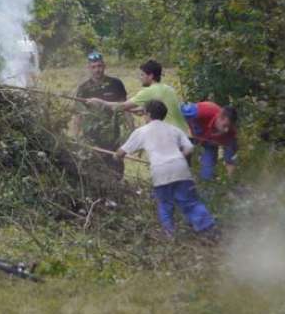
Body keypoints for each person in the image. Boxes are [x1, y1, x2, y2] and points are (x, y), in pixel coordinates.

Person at [115, 100, 215, 235]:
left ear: (148, 114)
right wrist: (178, 156)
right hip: (180, 168)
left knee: (165, 204)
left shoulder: (142, 131)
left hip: (160, 171)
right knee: (191, 202)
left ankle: (170, 234)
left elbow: (121, 152)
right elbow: (190, 148)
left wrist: (116, 156)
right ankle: (209, 230)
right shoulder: (174, 129)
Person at [86, 58, 188, 134]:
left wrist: (100, 102)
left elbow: (121, 106)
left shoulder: (150, 91)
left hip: (170, 137)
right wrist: (141, 110)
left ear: (151, 76)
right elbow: (163, 110)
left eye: (142, 75)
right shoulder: (168, 89)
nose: (140, 78)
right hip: (183, 135)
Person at [72, 51, 128, 179]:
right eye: (94, 67)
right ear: (89, 68)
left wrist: (129, 132)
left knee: (116, 173)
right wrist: (76, 138)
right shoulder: (84, 88)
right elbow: (78, 115)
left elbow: (124, 108)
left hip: (113, 136)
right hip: (92, 139)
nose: (97, 70)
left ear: (104, 66)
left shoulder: (116, 84)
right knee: (95, 174)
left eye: (99, 66)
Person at [180, 101, 238, 180]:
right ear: (220, 117)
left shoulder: (231, 134)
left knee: (208, 171)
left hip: (210, 143)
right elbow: (178, 110)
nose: (226, 130)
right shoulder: (204, 111)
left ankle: (206, 185)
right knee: (181, 162)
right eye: (225, 126)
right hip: (189, 134)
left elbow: (230, 159)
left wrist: (231, 180)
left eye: (229, 126)